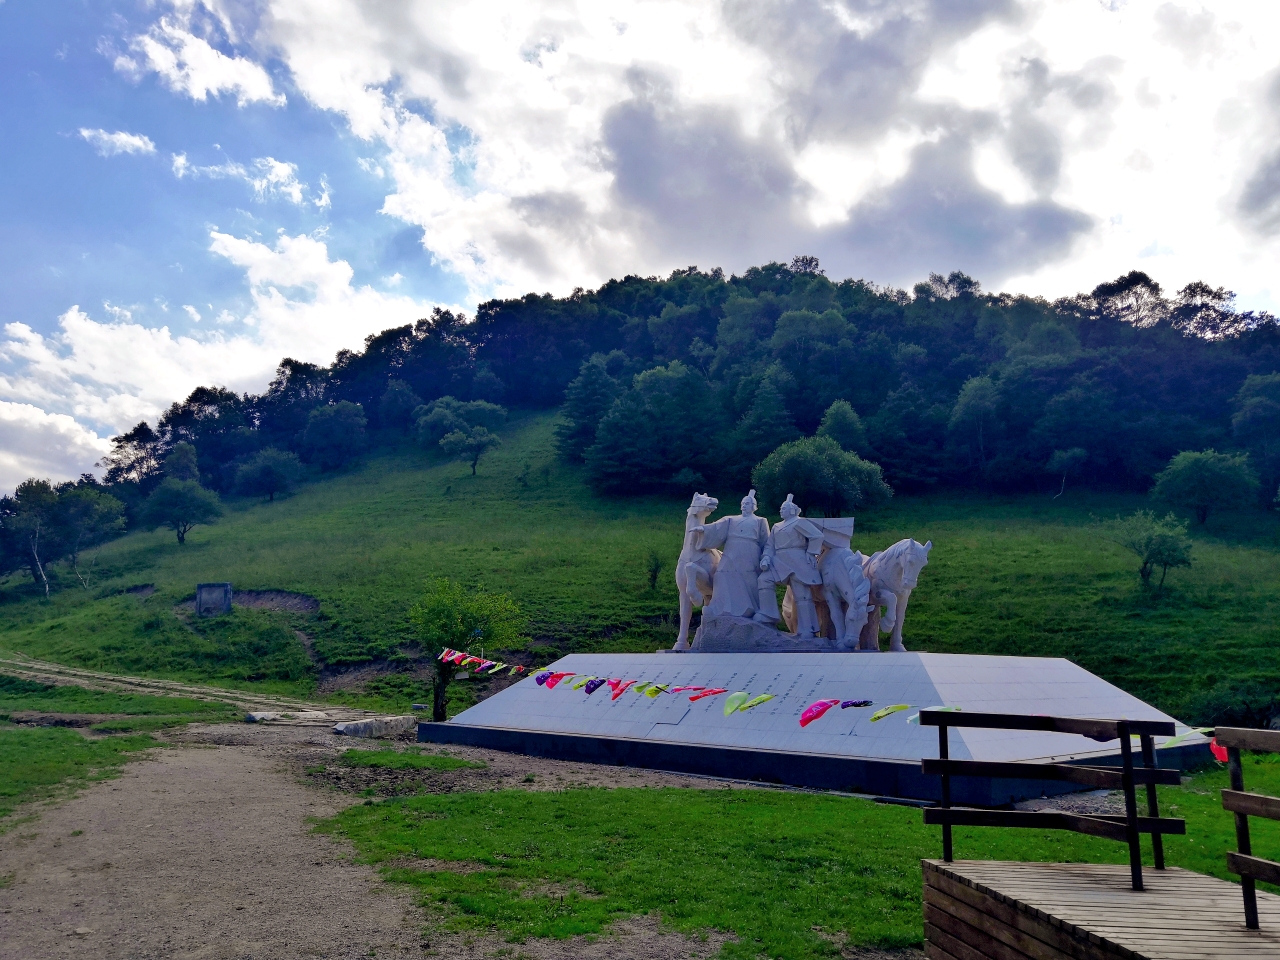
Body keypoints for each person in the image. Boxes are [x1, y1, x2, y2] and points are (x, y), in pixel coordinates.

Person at [754, 494, 824, 638]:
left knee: (802, 596)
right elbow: (770, 545)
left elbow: (816, 536)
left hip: (797, 560)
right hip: (778, 560)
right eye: (781, 508)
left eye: (784, 508)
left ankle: (808, 629)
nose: (781, 510)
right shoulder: (776, 526)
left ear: (792, 510)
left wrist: (811, 553)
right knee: (764, 579)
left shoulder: (800, 522)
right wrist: (766, 557)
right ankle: (768, 613)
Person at [696, 490, 770, 619]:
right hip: (731, 551)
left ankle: (752, 609)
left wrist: (766, 557)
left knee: (749, 580)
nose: (744, 505)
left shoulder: (760, 521)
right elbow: (717, 527)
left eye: (747, 503)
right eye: (742, 503)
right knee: (721, 576)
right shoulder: (731, 519)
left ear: (754, 506)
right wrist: (703, 529)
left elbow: (767, 542)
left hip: (750, 553)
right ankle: (717, 608)